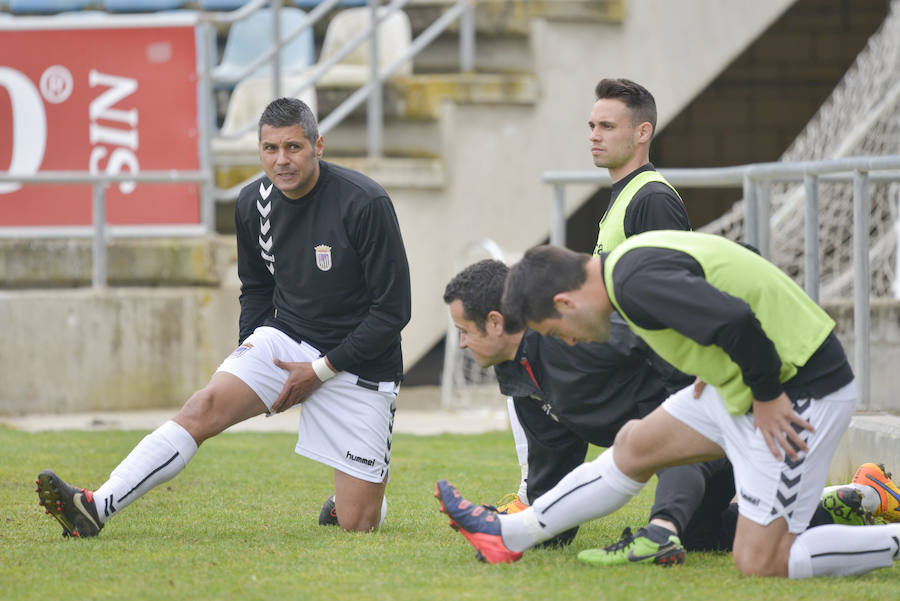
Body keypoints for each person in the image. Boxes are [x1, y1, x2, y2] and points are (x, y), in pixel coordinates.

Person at [35, 97, 412, 536]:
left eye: (293, 147)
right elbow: (256, 288)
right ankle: (95, 507)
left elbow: (393, 311)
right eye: (270, 148)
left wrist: (319, 372)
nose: (281, 160)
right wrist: (248, 359)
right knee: (204, 405)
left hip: (359, 363)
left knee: (357, 522)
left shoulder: (365, 202)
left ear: (318, 146)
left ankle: (360, 492)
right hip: (287, 337)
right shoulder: (254, 203)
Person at [435, 232, 900, 579]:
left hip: (800, 390)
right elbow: (730, 286)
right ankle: (507, 535)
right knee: (634, 445)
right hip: (739, 382)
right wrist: (713, 360)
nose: (569, 341)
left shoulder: (633, 281)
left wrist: (766, 395)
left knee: (762, 560)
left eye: (558, 331)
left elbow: (735, 317)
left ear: (566, 301)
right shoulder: (625, 274)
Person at [444, 258, 727, 563]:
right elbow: (553, 463)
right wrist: (539, 528)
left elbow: (661, 337)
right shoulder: (518, 375)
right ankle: (509, 532)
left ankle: (661, 531)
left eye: (465, 331)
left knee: (668, 431)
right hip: (702, 466)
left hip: (725, 426)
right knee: (704, 538)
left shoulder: (576, 332)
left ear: (496, 322)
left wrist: (688, 385)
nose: (461, 344)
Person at [497, 77, 691, 515]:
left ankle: (536, 503)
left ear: (643, 132)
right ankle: (538, 500)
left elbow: (671, 297)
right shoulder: (622, 196)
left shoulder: (653, 200)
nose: (594, 136)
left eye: (607, 126)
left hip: (651, 372)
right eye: (591, 126)